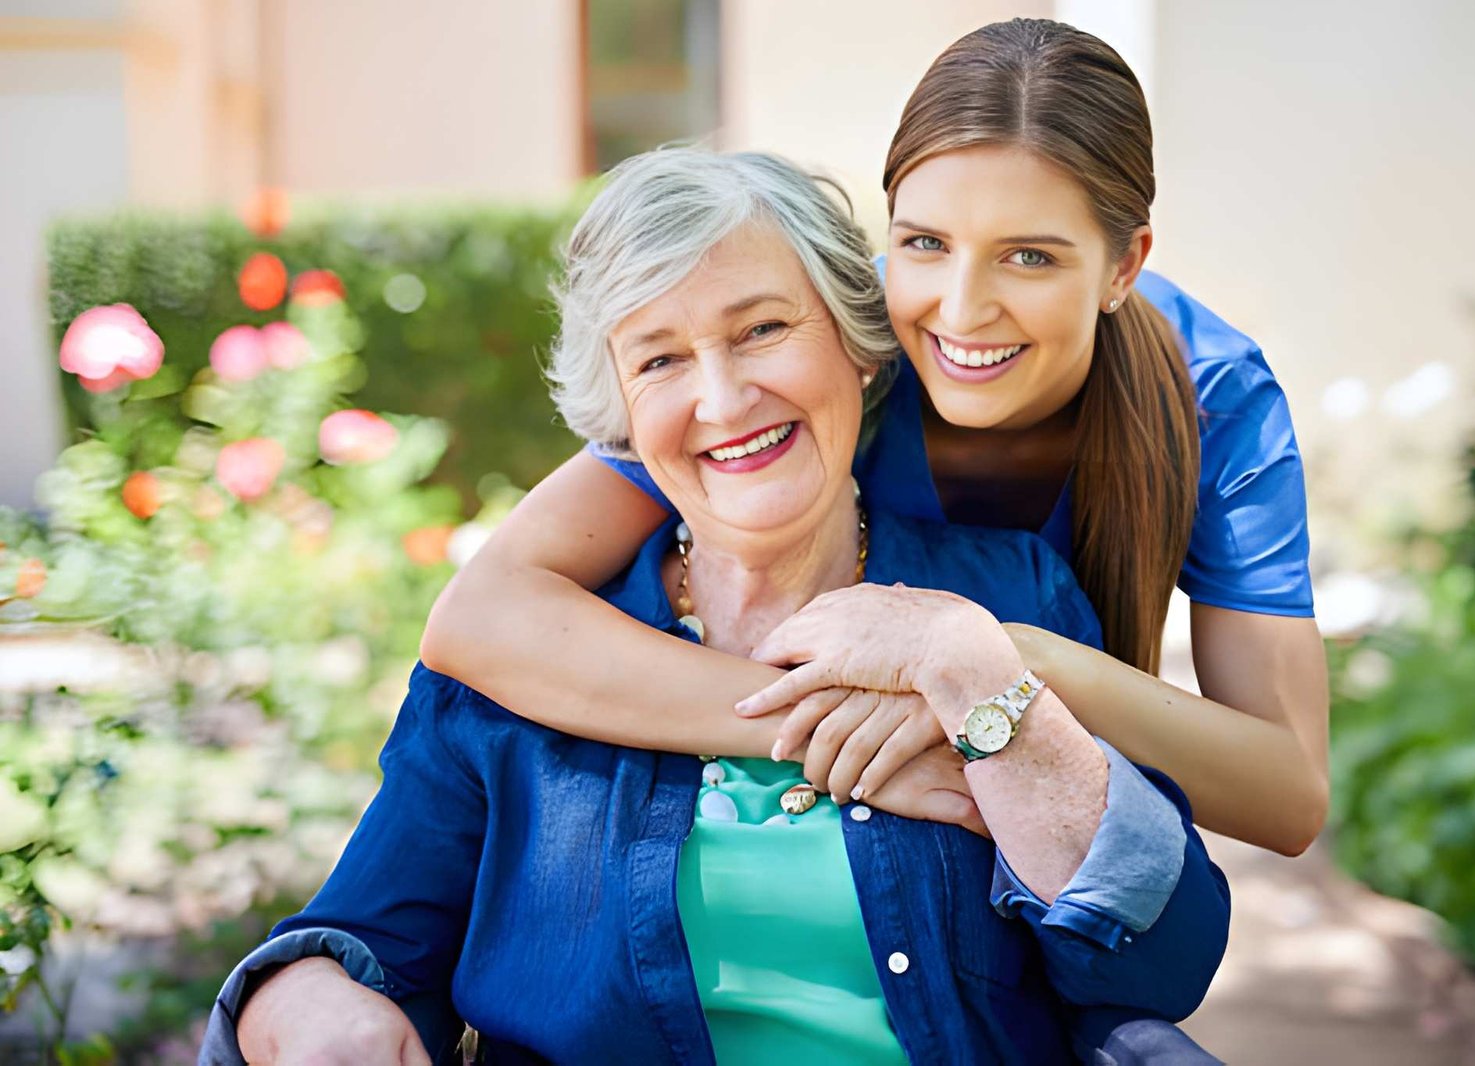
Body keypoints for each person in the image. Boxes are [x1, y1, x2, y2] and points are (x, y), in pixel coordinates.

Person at [202, 148, 1227, 1065]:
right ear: (620, 413)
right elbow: (363, 938)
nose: (724, 399)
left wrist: (969, 665)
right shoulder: (517, 670)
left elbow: (1154, 960)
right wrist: (301, 994)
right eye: (659, 359)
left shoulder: (1006, 595)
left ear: (857, 344)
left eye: (763, 329)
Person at [421, 17, 1329, 857]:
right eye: (925, 243)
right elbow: (484, 617)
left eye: (1031, 256)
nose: (962, 310)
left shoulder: (1214, 396)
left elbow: (1287, 796)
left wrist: (999, 664)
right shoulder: (823, 348)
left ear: (1124, 264)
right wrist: (808, 728)